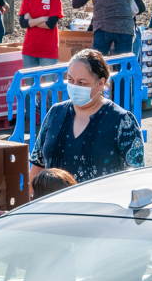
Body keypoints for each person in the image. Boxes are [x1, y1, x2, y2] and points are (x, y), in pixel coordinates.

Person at [30, 49, 144, 183]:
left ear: (101, 83)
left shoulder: (121, 121)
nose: (74, 86)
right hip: (54, 202)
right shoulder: (55, 113)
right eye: (70, 80)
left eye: (82, 83)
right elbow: (38, 165)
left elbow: (137, 176)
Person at [19, 0, 64, 68]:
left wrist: (32, 21)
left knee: (49, 84)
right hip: (29, 49)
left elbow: (50, 24)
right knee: (29, 84)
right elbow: (23, 23)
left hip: (48, 51)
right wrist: (42, 18)